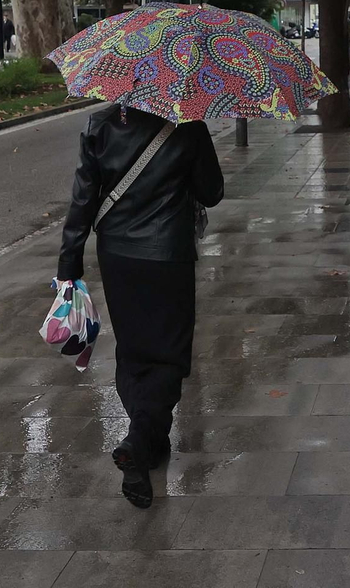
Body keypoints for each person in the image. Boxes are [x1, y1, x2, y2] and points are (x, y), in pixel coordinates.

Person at [57, 104, 224, 509]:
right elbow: (212, 192)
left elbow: (84, 195)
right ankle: (139, 438)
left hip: (117, 255)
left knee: (133, 352)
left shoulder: (100, 124)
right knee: (167, 355)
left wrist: (69, 261)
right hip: (168, 254)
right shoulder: (189, 125)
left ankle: (148, 441)